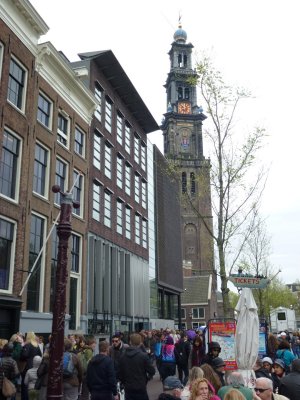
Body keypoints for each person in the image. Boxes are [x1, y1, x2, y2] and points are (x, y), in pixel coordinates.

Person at [119, 333, 155, 400]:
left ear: (130, 342)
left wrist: (124, 382)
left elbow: (120, 373)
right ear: (140, 342)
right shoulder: (143, 356)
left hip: (128, 387)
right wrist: (146, 379)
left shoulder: (122, 356)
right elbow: (152, 371)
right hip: (140, 386)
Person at [20, 332, 42, 400]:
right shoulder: (36, 345)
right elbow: (40, 355)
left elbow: (24, 355)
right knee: (34, 383)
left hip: (27, 366)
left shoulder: (28, 345)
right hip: (35, 367)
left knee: (25, 384)